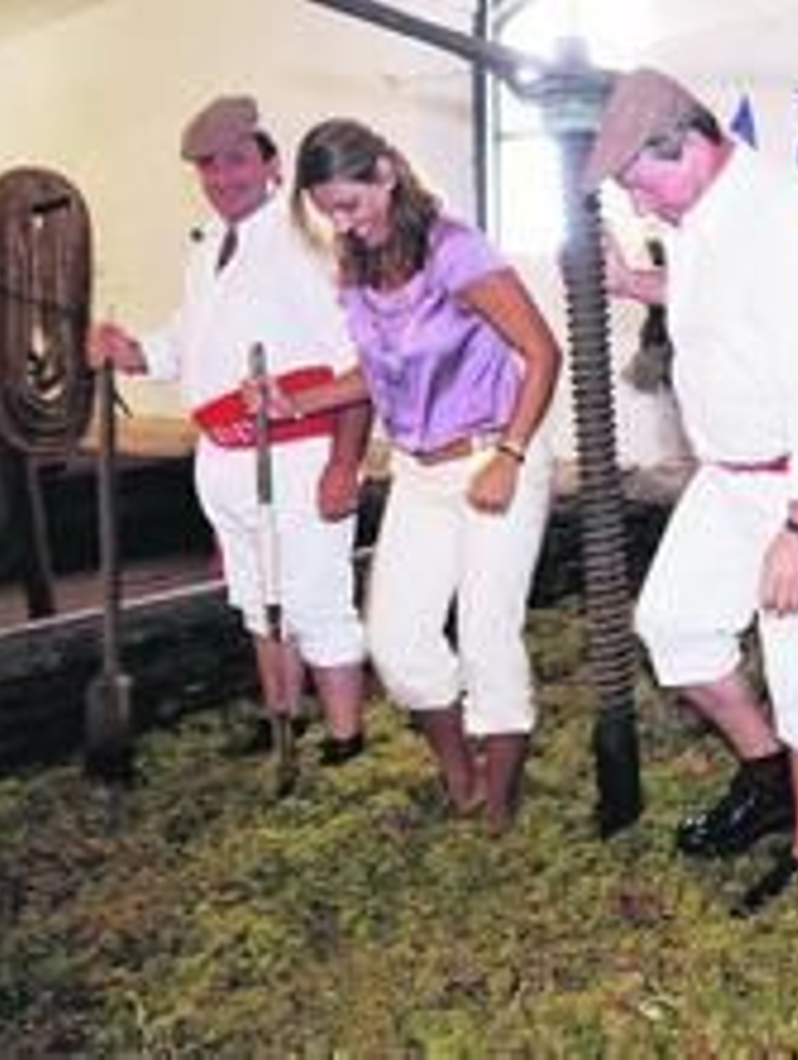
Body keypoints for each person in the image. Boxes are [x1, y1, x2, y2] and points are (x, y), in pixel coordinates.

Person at [582, 68, 798, 916]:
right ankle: (770, 776)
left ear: (688, 142)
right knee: (674, 628)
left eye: (645, 188)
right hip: (730, 479)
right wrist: (635, 283)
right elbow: (722, 302)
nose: (643, 211)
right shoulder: (705, 214)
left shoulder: (791, 221)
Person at [266, 117, 561, 835]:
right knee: (396, 642)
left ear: (386, 174)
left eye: (351, 203)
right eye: (327, 210)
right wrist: (295, 399)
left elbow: (542, 351)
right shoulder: (359, 263)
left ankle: (499, 806)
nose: (343, 222)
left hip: (493, 456)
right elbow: (378, 367)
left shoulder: (455, 251)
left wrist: (511, 455)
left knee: (489, 634)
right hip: (419, 471)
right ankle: (459, 775)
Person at [88, 95, 372, 767]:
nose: (223, 178)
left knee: (315, 599)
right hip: (223, 453)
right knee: (255, 596)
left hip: (297, 453)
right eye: (209, 168)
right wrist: (132, 352)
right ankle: (284, 715)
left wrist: (343, 463)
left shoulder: (309, 241)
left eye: (237, 161)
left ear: (271, 163)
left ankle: (345, 738)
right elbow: (189, 343)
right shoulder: (208, 246)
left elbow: (362, 360)